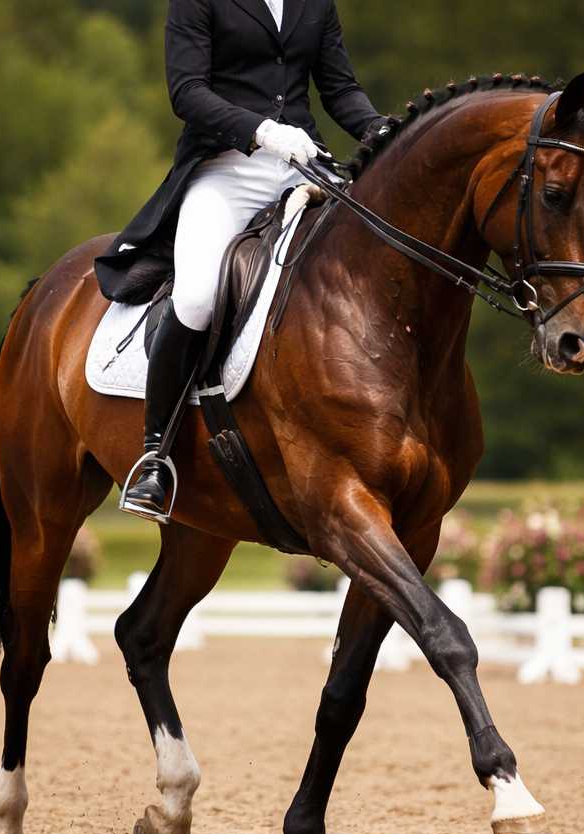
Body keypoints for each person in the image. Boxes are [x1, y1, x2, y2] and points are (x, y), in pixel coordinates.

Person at [96, 0, 392, 521]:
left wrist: (380, 130)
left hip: (304, 164)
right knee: (196, 296)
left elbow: (340, 89)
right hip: (227, 167)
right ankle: (155, 454)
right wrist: (262, 131)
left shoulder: (315, 4)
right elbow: (187, 92)